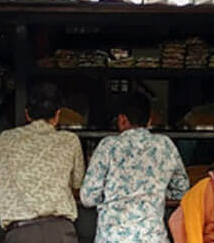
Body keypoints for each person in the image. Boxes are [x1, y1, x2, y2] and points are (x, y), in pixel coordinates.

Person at [80, 92, 189, 242]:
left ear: (122, 119)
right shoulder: (165, 145)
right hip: (152, 238)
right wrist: (156, 192)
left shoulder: (108, 146)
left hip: (112, 238)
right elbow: (182, 190)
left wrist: (109, 193)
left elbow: (88, 197)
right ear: (150, 120)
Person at [0, 83, 85, 243]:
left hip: (20, 234)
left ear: (27, 114)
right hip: (60, 233)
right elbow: (78, 185)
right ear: (57, 115)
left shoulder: (4, 140)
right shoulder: (70, 141)